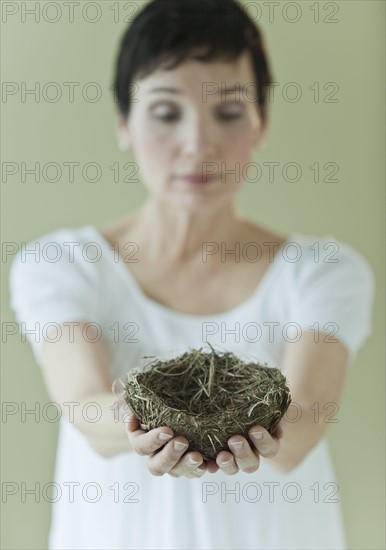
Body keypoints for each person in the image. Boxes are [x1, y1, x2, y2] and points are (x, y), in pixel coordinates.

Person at [8, 1, 375, 549]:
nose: (198, 145)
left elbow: (300, 430)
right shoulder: (59, 265)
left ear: (262, 124)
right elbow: (85, 406)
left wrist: (258, 432)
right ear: (124, 125)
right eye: (164, 111)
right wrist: (146, 426)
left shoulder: (323, 272)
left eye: (228, 112)